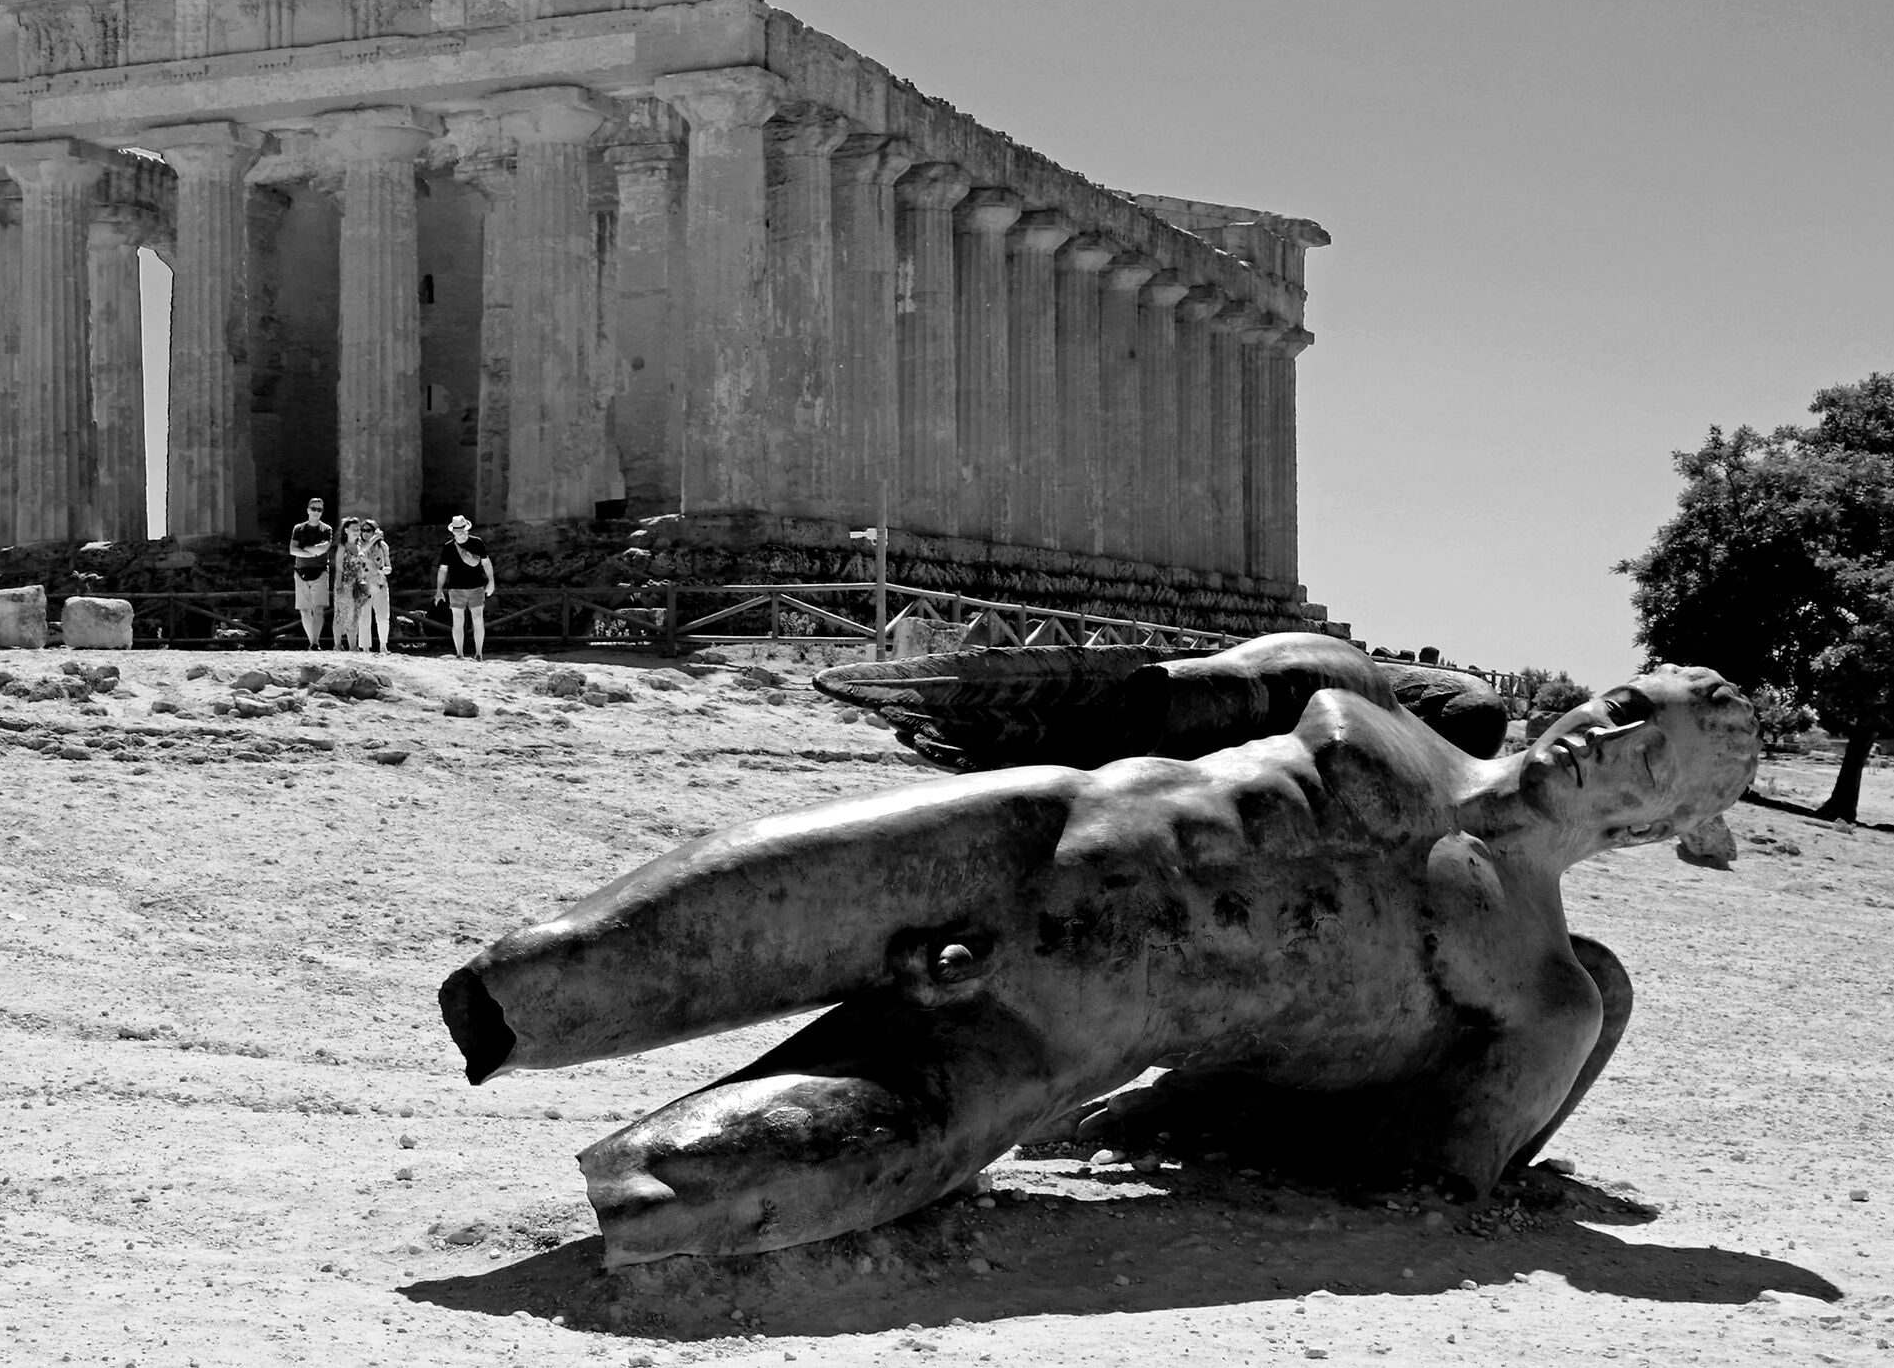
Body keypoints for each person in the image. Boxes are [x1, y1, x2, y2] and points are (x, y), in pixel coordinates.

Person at [441, 634, 1759, 1266]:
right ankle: (508, 1011)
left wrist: (1169, 1123)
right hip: (1036, 831)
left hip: (1089, 1015)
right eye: (1627, 703)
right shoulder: (1406, 714)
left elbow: (1404, 1164)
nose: (1611, 735)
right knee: (590, 953)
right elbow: (1187, 689)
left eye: (1653, 754)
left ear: (1677, 823)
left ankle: (636, 1213)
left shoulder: (1545, 990)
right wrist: (1021, 692)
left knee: (692, 1187)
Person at [433, 514, 495, 661]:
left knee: (478, 619)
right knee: (458, 620)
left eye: (461, 529)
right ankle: (459, 653)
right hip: (456, 588)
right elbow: (443, 569)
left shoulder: (477, 543)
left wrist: (491, 582)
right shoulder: (448, 547)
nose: (459, 532)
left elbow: (486, 563)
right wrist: (438, 591)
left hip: (476, 587)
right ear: (453, 531)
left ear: (466, 529)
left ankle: (479, 653)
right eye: (456, 530)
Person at [286, 498, 335, 648]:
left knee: (319, 609)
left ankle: (315, 643)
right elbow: (293, 550)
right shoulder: (298, 529)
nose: (316, 512)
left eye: (319, 509)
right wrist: (313, 552)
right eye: (313, 508)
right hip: (301, 571)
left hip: (320, 572)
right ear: (307, 510)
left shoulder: (326, 529)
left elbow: (323, 549)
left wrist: (304, 549)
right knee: (304, 610)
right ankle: (312, 641)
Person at [348, 518, 394, 652]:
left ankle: (383, 645)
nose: (365, 533)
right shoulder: (357, 544)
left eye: (369, 531)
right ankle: (365, 647)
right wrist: (374, 539)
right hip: (364, 584)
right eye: (363, 530)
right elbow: (361, 553)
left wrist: (386, 570)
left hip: (379, 582)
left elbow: (388, 565)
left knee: (383, 616)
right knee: (364, 617)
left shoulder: (383, 546)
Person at [329, 516, 364, 650]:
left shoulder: (359, 546)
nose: (357, 531)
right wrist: (338, 585)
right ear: (346, 530)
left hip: (357, 585)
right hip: (344, 584)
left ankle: (353, 646)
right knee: (341, 614)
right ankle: (337, 645)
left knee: (355, 614)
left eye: (358, 529)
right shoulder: (342, 547)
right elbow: (338, 567)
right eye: (354, 529)